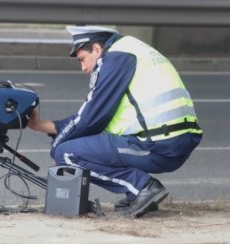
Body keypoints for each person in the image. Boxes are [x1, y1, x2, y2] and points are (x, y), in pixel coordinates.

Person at [28, 25, 203, 218]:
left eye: (82, 59)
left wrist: (58, 146)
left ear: (96, 49)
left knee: (65, 154)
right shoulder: (134, 49)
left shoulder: (115, 58)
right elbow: (91, 117)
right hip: (174, 143)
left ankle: (142, 188)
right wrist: (39, 125)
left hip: (154, 145)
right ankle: (139, 193)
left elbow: (91, 117)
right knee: (83, 145)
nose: (84, 68)